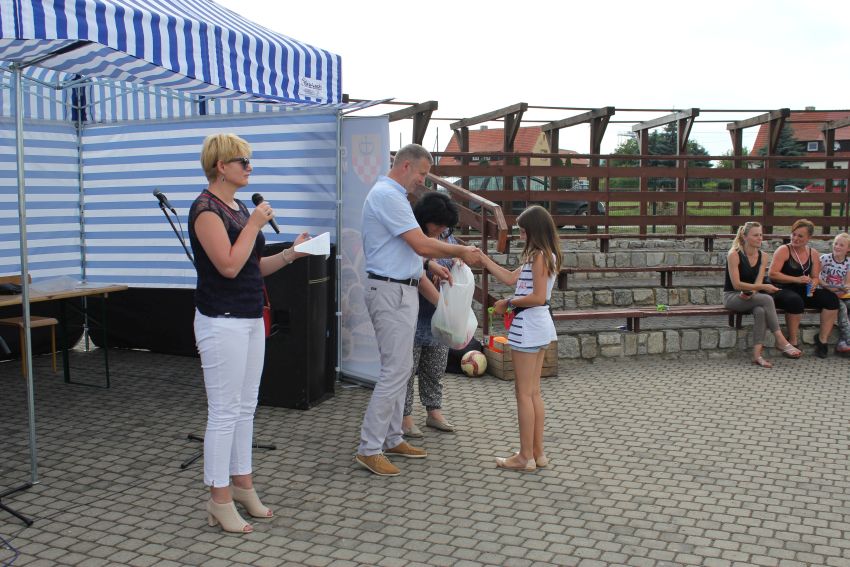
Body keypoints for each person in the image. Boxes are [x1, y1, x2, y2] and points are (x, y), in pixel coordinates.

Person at [189, 133, 310, 533]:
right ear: (221, 166)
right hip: (220, 319)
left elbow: (251, 266)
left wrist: (291, 254)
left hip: (250, 315)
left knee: (245, 406)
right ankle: (218, 497)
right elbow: (227, 265)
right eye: (243, 161)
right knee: (224, 411)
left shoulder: (239, 208)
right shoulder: (206, 210)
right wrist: (255, 223)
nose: (249, 168)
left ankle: (243, 485)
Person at [355, 143, 482, 477]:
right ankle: (369, 447)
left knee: (401, 368)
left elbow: (408, 251)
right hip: (390, 291)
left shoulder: (394, 196)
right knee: (395, 370)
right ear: (406, 166)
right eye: (423, 174)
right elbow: (420, 243)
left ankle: (393, 437)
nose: (423, 181)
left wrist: (428, 266)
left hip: (402, 288)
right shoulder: (388, 195)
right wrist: (459, 251)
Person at [479, 205, 560, 472]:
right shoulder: (540, 256)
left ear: (535, 230)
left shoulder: (539, 257)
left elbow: (537, 297)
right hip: (538, 325)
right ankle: (537, 453)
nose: (521, 236)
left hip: (529, 326)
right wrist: (484, 260)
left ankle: (525, 457)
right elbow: (510, 278)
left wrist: (508, 302)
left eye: (524, 231)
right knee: (533, 392)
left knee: (524, 394)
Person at [401, 192, 460, 439]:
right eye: (439, 224)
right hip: (413, 312)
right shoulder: (411, 234)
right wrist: (429, 266)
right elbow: (412, 267)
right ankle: (404, 417)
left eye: (446, 225)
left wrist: (454, 264)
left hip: (438, 314)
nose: (442, 229)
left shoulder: (445, 235)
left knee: (435, 366)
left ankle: (434, 411)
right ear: (425, 219)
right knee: (406, 369)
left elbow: (454, 256)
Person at [723, 221, 802, 367]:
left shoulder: (764, 256)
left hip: (750, 296)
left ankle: (757, 356)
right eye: (755, 235)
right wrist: (763, 287)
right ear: (745, 237)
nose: (760, 238)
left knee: (760, 310)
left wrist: (751, 293)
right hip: (732, 296)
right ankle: (781, 340)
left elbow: (757, 282)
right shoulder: (734, 254)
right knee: (766, 298)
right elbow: (736, 285)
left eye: (760, 234)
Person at [768, 219, 839, 358]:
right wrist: (796, 279)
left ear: (809, 238)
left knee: (831, 299)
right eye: (793, 234)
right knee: (795, 301)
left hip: (802, 289)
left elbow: (815, 277)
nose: (795, 238)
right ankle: (792, 341)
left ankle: (822, 340)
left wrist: (813, 284)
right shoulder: (784, 250)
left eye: (800, 236)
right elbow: (772, 274)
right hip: (781, 288)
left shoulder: (813, 253)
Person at [818, 232, 850, 355]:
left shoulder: (848, 263)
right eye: (836, 243)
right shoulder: (825, 258)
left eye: (841, 245)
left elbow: (847, 283)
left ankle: (843, 342)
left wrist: (844, 288)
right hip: (825, 292)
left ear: (848, 249)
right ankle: (848, 340)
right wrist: (827, 286)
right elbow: (816, 277)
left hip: (841, 293)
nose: (837, 247)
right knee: (842, 308)